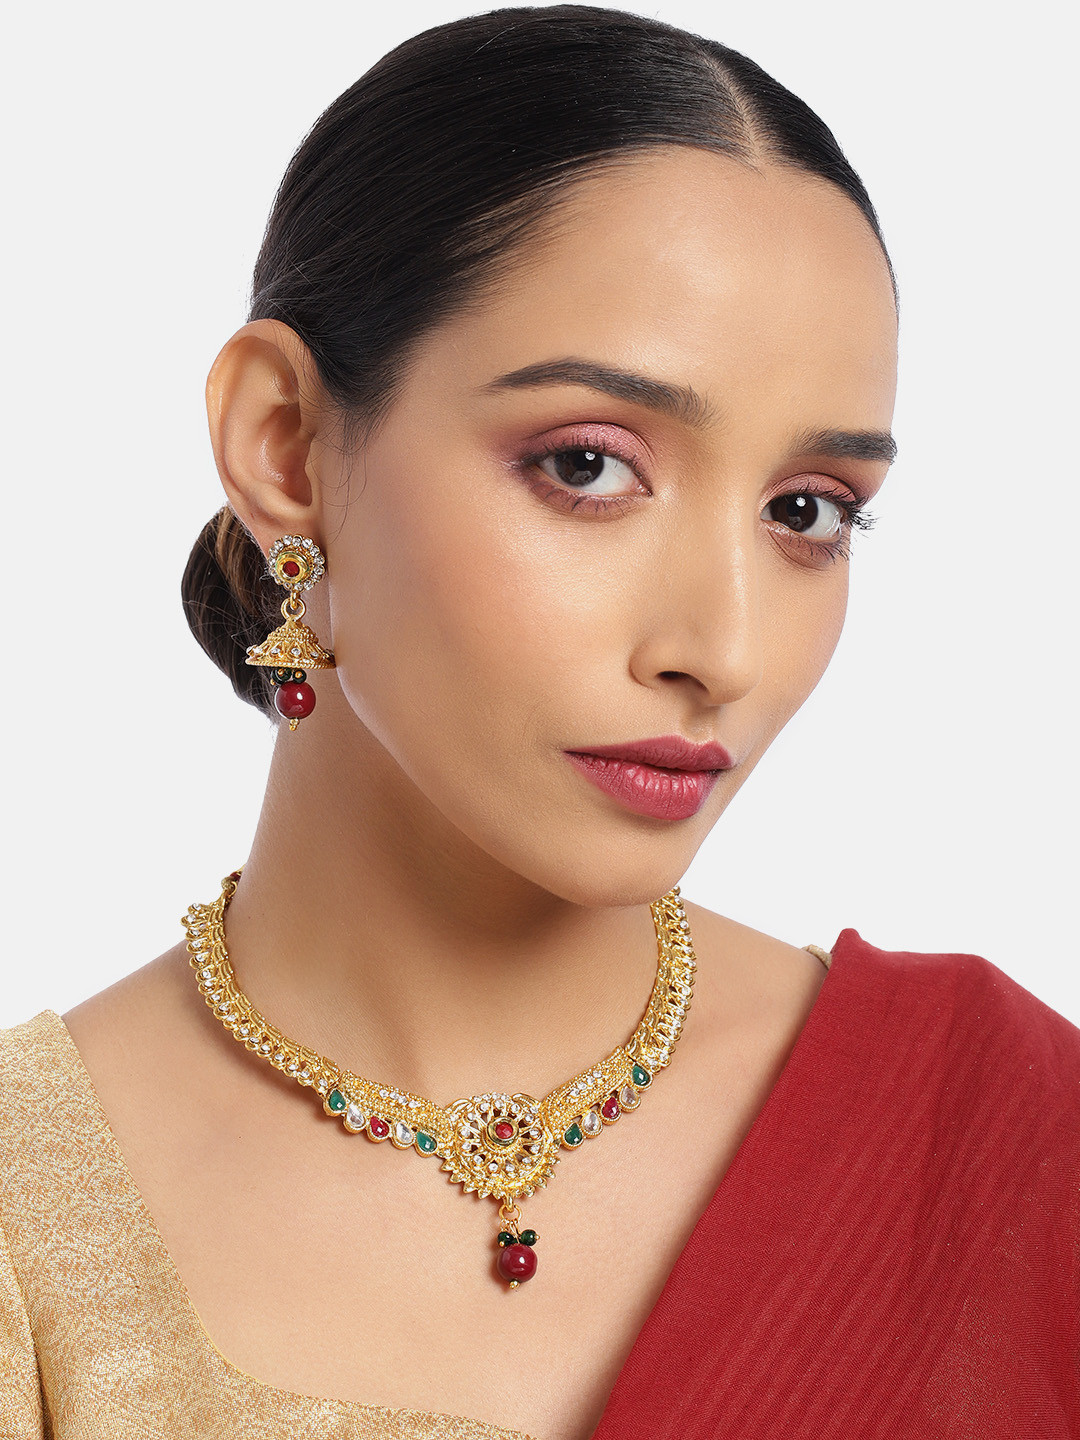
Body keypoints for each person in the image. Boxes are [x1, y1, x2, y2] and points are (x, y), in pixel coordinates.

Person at [1, 6, 1076, 1438]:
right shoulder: (30, 1232)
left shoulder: (1009, 1141)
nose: (723, 650)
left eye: (808, 511)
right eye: (588, 467)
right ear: (285, 445)